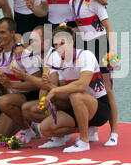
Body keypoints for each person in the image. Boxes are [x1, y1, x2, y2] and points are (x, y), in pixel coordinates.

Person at [64, 0, 119, 146]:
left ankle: (114, 133)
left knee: (107, 89)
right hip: (84, 46)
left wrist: (112, 52)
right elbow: (78, 27)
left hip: (101, 45)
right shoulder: (71, 2)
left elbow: (108, 27)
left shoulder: (94, 0)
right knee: (89, 89)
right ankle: (92, 130)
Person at [40, 25, 111, 153]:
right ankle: (78, 132)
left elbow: (82, 85)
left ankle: (84, 141)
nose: (58, 48)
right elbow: (64, 95)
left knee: (76, 95)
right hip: (77, 106)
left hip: (99, 108)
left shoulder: (86, 55)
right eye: (55, 45)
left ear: (72, 42)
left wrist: (54, 90)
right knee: (45, 128)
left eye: (62, 43)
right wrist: (51, 88)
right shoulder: (59, 62)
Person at [0, 18, 42, 142]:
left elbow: (38, 82)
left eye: (3, 32)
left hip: (31, 97)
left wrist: (11, 85)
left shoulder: (23, 53)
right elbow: (3, 85)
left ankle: (27, 130)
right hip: (15, 98)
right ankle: (30, 125)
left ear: (12, 33)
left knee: (2, 101)